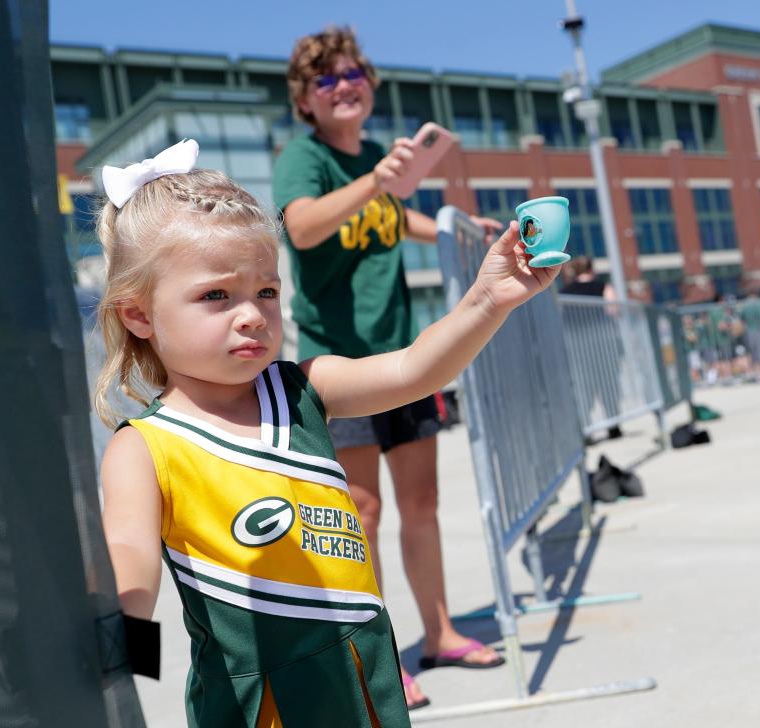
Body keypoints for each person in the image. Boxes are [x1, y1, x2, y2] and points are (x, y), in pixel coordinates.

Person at [95, 139, 559, 726]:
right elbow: (130, 557)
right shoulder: (143, 446)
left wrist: (490, 298)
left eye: (266, 291)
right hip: (256, 704)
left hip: (362, 673)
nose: (252, 314)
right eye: (216, 295)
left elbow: (416, 369)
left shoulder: (304, 388)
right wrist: (121, 656)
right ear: (137, 314)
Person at [271, 27, 505, 709]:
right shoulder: (305, 158)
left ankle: (438, 633)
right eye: (327, 80)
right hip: (339, 364)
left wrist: (459, 227)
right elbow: (304, 226)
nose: (345, 86)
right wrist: (374, 180)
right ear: (306, 99)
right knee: (361, 515)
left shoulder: (376, 156)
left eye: (354, 75)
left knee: (422, 504)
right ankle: (373, 659)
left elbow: (394, 220)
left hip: (405, 354)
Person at [559, 256, 623, 440]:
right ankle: (613, 424)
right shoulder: (603, 287)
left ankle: (586, 430)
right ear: (591, 269)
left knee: (582, 387)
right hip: (603, 344)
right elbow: (613, 310)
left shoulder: (565, 292)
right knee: (609, 383)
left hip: (577, 347)